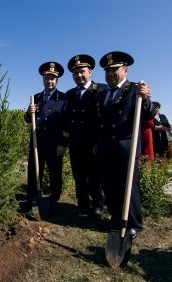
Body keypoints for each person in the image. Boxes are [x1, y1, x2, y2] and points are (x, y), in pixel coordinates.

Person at [95, 51, 154, 240]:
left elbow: (148, 114)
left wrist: (145, 99)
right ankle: (115, 218)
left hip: (125, 149)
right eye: (107, 71)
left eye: (115, 70)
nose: (111, 74)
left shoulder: (134, 89)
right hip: (106, 147)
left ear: (125, 70)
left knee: (128, 187)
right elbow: (100, 121)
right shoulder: (103, 93)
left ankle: (133, 224)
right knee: (110, 186)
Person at [63, 54, 107, 219]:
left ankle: (98, 206)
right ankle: (82, 205)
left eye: (82, 71)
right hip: (76, 142)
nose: (79, 75)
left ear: (90, 72)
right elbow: (66, 119)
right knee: (79, 175)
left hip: (94, 143)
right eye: (76, 73)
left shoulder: (101, 90)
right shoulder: (70, 94)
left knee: (95, 176)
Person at [24, 61, 67, 217]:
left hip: (55, 145)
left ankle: (53, 203)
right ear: (43, 79)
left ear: (56, 80)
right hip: (37, 144)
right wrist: (29, 112)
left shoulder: (63, 99)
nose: (49, 81)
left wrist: (63, 143)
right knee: (34, 175)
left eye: (52, 78)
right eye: (47, 78)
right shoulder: (35, 98)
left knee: (55, 175)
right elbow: (27, 120)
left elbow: (66, 123)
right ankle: (34, 204)